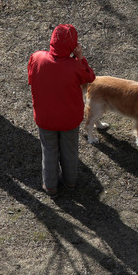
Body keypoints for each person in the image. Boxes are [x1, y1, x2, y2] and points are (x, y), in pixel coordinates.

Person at [28, 24, 96, 198]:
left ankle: (50, 185)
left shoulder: (37, 58)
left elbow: (31, 79)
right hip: (69, 119)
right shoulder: (75, 66)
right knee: (70, 150)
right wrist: (80, 58)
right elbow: (90, 77)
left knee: (49, 149)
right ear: (73, 45)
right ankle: (70, 181)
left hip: (45, 117)